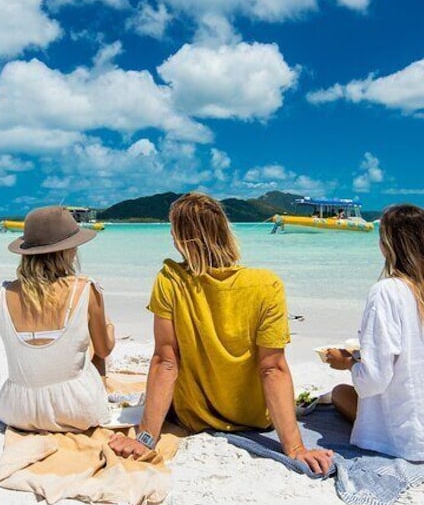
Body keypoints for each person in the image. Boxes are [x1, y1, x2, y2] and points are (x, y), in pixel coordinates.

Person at [108, 192, 333, 474]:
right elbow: (272, 369)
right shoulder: (266, 285)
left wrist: (145, 438)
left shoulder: (171, 279)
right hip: (255, 418)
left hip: (195, 418)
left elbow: (166, 361)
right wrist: (295, 448)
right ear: (225, 232)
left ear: (180, 239)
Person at [325, 204, 424, 462]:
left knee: (340, 393)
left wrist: (349, 364)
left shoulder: (386, 292)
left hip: (412, 439)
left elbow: (374, 380)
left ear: (387, 245)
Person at [0, 205, 116, 432]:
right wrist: (109, 326)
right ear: (68, 249)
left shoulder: (2, 294)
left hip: (15, 409)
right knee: (95, 344)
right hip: (77, 410)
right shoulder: (85, 288)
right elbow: (105, 349)